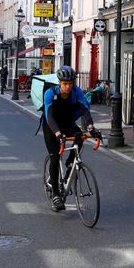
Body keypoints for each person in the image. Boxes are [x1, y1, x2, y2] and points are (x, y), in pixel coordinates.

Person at [42, 65, 100, 212]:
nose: (68, 87)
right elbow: (49, 116)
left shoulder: (76, 92)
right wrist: (58, 134)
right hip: (51, 126)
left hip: (67, 123)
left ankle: (69, 164)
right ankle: (55, 194)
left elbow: (84, 110)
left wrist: (91, 128)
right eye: (64, 84)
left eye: (70, 83)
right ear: (59, 83)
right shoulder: (50, 93)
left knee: (79, 137)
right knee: (55, 157)